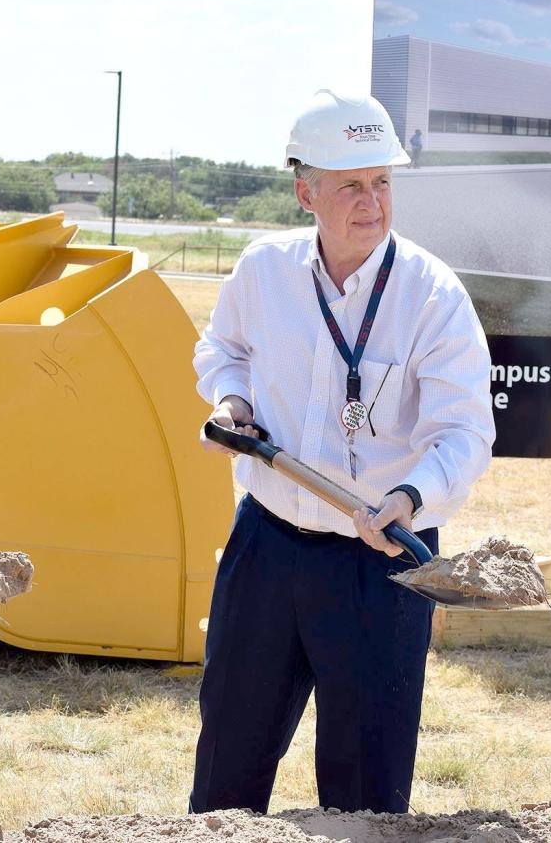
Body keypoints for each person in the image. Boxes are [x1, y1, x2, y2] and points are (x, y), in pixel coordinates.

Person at [189, 89, 494, 816]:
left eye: (383, 181)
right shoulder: (263, 271)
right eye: (351, 184)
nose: (371, 201)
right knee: (227, 770)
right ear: (306, 192)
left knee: (365, 795)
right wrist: (233, 402)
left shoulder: (432, 295)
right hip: (264, 551)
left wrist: (410, 499)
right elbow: (222, 349)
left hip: (380, 565)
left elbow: (463, 432)